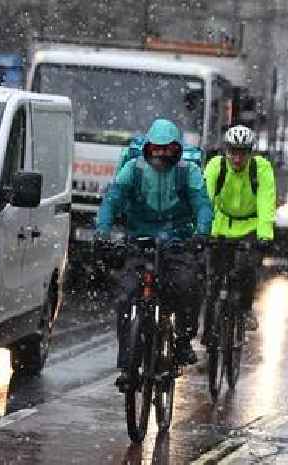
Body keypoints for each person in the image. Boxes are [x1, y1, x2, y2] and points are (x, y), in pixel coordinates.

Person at [96, 118, 213, 391]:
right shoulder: (132, 170)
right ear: (148, 148)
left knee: (187, 287)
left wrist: (201, 233)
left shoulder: (189, 172)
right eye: (156, 150)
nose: (161, 156)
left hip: (177, 243)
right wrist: (102, 231)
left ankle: (183, 343)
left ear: (177, 150)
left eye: (167, 150)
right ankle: (127, 365)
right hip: (140, 241)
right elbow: (112, 200)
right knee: (126, 297)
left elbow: (202, 205)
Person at [203, 125, 276, 333]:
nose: (237, 159)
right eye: (232, 152)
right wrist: (202, 231)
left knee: (247, 269)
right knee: (214, 278)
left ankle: (245, 309)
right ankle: (209, 330)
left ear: (250, 153)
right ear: (225, 151)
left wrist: (264, 236)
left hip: (250, 228)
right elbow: (205, 200)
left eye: (242, 153)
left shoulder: (261, 169)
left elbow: (266, 203)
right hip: (220, 225)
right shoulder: (216, 166)